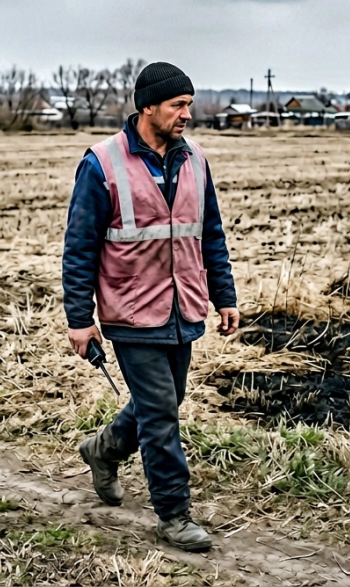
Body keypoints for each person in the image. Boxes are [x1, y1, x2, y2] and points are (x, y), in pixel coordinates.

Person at [62, 61, 239, 552]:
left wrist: (223, 296)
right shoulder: (102, 163)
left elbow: (211, 235)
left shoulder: (195, 160)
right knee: (161, 414)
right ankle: (173, 514)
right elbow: (80, 246)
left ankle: (103, 450)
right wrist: (80, 319)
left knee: (164, 401)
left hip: (183, 308)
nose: (188, 114)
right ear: (147, 107)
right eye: (178, 105)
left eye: (189, 104)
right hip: (130, 311)